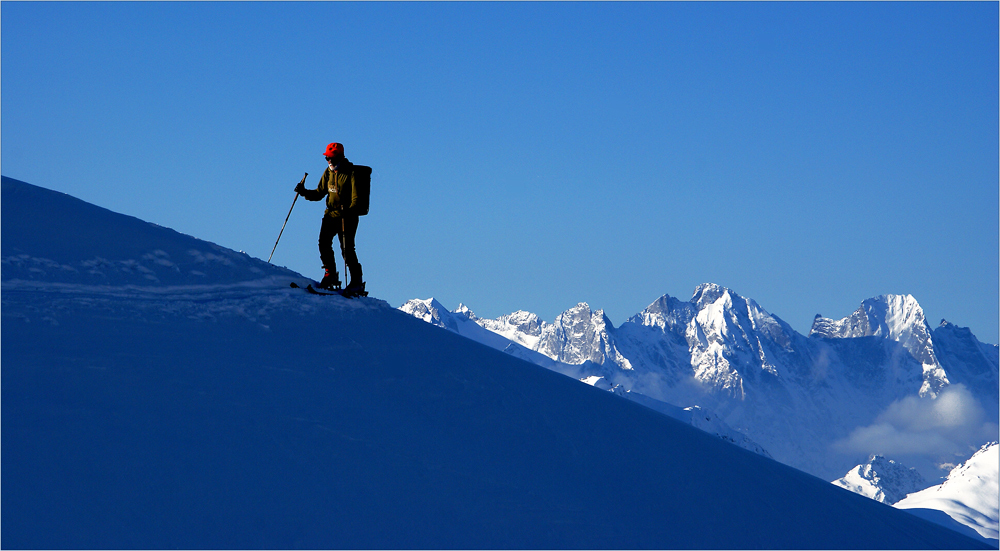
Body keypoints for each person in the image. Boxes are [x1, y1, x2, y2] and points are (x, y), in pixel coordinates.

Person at [295, 142, 366, 296]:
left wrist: (348, 212)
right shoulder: (328, 172)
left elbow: (356, 199)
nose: (328, 160)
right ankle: (330, 274)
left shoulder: (350, 173)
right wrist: (304, 192)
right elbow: (319, 193)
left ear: (339, 157)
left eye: (331, 157)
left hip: (347, 218)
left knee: (347, 250)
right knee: (323, 243)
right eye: (327, 157)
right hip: (330, 215)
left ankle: (356, 282)